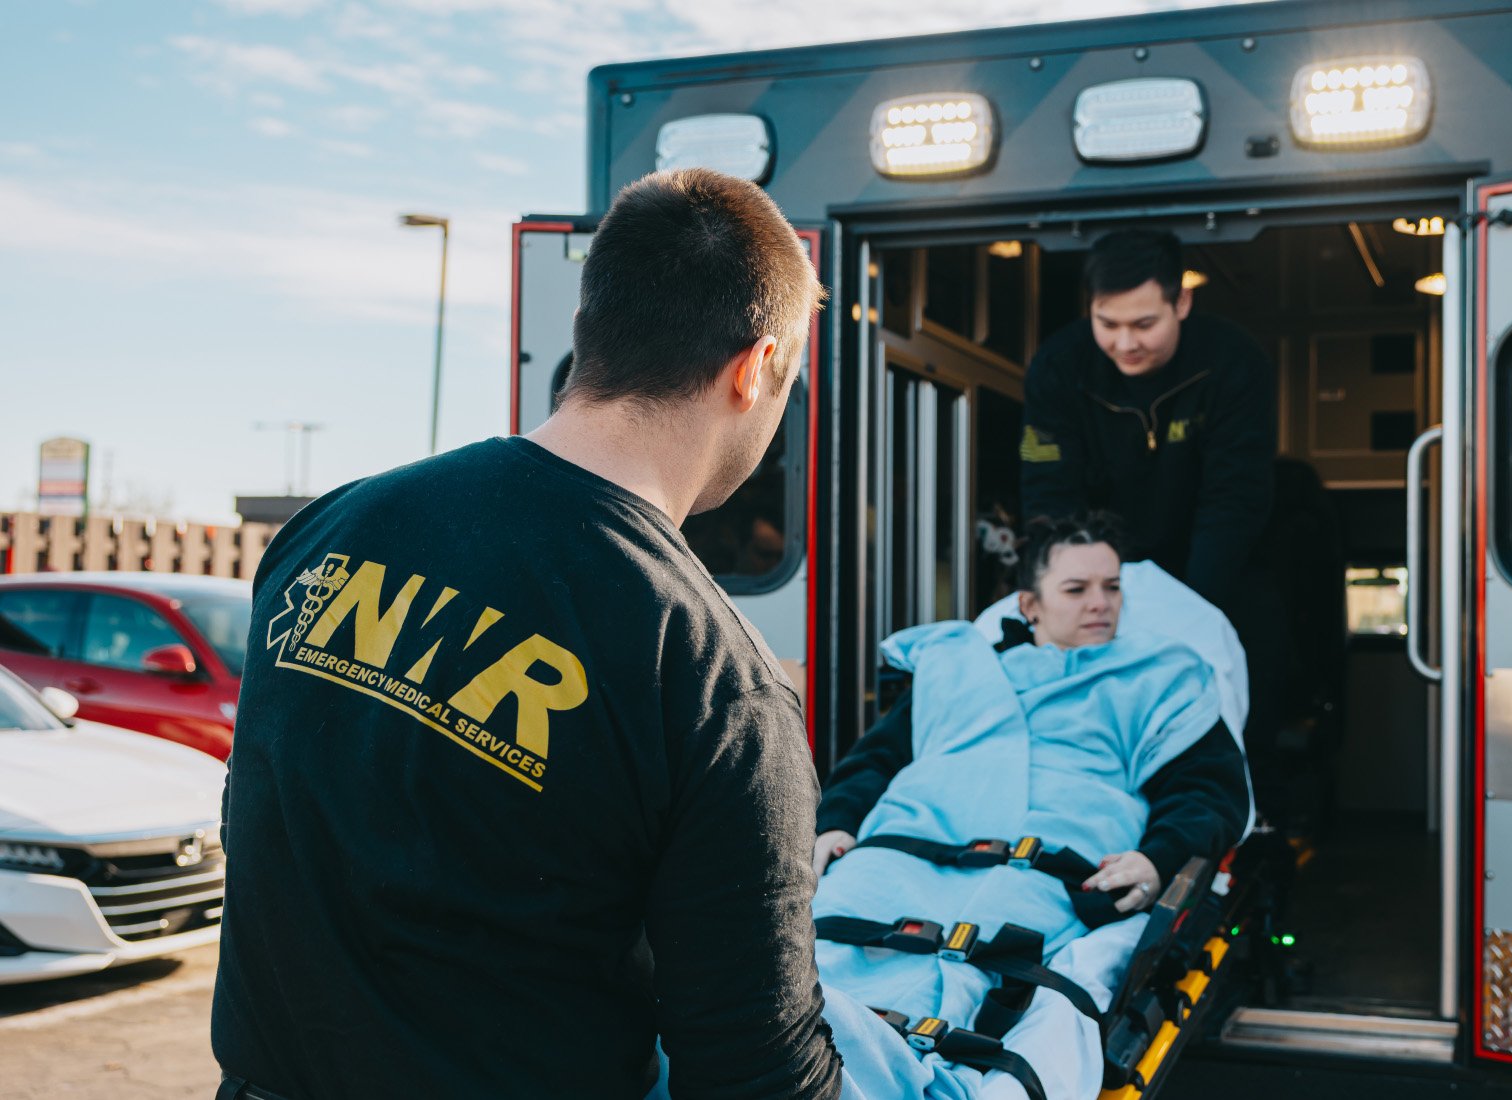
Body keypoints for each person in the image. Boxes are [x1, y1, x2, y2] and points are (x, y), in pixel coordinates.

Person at [212, 169, 842, 1100]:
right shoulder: (715, 680)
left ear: (593, 329)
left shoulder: (328, 530)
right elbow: (754, 1070)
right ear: (753, 371)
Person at [806, 514, 1249, 1100]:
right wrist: (836, 822)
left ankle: (909, 1074)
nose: (1101, 604)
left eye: (1112, 587)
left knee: (970, 961)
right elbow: (874, 761)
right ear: (1029, 604)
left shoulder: (1160, 679)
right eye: (1077, 589)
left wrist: (1157, 858)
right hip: (905, 843)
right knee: (826, 944)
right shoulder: (959, 669)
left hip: (1045, 862)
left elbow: (1209, 791)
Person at [1019, 229, 1291, 822]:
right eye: (1107, 322)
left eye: (1144, 324)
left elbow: (1235, 497)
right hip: (1097, 555)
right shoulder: (1059, 365)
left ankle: (1246, 816)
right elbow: (1048, 489)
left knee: (1248, 663)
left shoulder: (1234, 362)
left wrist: (1185, 609)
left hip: (1215, 563)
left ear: (1182, 303)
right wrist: (1076, 588)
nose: (1124, 343)